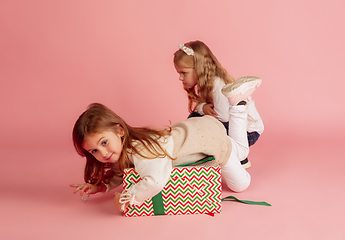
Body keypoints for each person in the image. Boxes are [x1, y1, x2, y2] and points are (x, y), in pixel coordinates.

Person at [70, 78, 261, 212]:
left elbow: (156, 180)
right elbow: (120, 173)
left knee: (240, 180)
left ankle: (238, 104)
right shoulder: (124, 148)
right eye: (94, 150)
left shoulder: (141, 150)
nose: (103, 153)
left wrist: (128, 197)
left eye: (104, 142)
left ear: (120, 131)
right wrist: (101, 186)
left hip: (209, 138)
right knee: (238, 149)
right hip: (197, 130)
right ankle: (237, 105)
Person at [174, 40, 264, 168]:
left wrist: (206, 117)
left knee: (201, 126)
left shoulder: (217, 84)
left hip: (248, 132)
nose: (180, 78)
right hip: (231, 126)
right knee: (194, 119)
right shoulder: (205, 83)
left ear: (199, 68)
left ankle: (237, 156)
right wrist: (202, 108)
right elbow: (201, 107)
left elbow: (225, 118)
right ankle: (233, 155)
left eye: (184, 73)